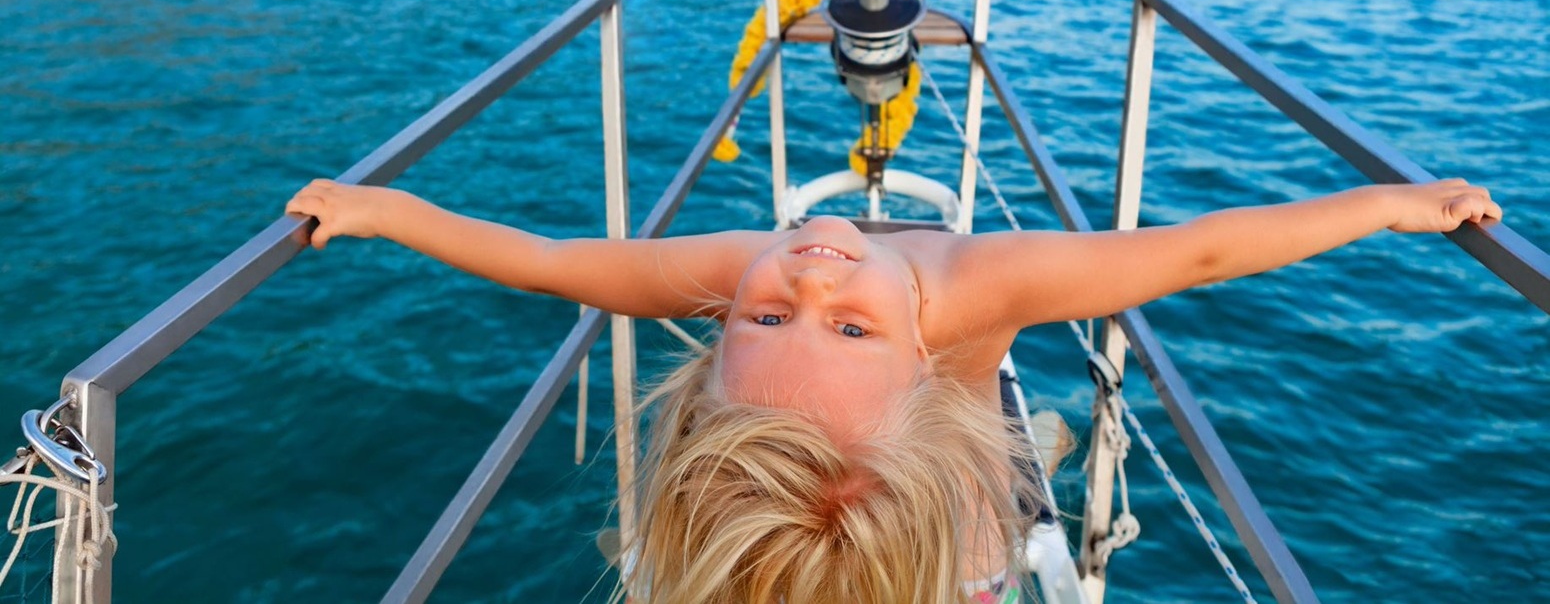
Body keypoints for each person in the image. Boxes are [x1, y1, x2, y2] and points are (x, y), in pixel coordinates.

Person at [285, 177, 1500, 603]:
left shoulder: (747, 276)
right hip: (941, 497)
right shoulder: (961, 287)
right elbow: (552, 267)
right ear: (913, 360)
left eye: (776, 318)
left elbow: (1200, 251)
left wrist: (1395, 209)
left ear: (717, 356)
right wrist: (387, 215)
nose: (806, 276)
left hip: (935, 494)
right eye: (809, 315)